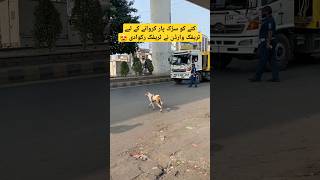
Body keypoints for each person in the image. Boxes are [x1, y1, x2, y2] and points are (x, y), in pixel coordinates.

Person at [249, 6, 280, 82]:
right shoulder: (268, 19)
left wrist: (268, 43)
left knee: (262, 60)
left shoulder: (269, 20)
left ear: (267, 12)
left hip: (267, 42)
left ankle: (257, 77)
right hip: (271, 42)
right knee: (272, 60)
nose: (262, 12)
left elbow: (269, 32)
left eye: (263, 11)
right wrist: (253, 21)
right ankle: (276, 77)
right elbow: (262, 23)